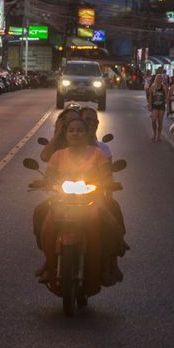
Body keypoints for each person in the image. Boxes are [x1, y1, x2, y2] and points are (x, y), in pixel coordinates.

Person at [34, 117, 125, 285]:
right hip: (61, 200)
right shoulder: (58, 155)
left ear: (86, 134)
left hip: (92, 199)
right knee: (40, 212)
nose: (75, 133)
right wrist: (42, 182)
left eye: (79, 130)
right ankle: (49, 261)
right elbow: (49, 176)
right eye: (71, 130)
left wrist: (109, 183)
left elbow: (106, 174)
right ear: (66, 134)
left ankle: (109, 261)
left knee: (111, 218)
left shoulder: (97, 153)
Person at [148, 70, 168, 142]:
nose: (159, 79)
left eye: (160, 78)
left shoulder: (164, 87)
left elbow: (166, 96)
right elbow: (150, 97)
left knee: (160, 121)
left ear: (162, 79)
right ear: (156, 79)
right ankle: (154, 133)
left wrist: (166, 103)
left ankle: (159, 135)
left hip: (161, 106)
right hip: (154, 106)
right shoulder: (152, 87)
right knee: (153, 120)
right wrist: (149, 105)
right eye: (158, 78)